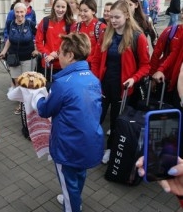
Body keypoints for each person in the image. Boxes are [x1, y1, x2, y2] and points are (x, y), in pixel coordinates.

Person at [33, 32, 104, 212]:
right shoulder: (93, 78)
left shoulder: (63, 82)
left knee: (67, 181)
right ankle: (74, 199)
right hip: (89, 140)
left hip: (68, 144)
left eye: (60, 52)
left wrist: (36, 96)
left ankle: (72, 205)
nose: (58, 56)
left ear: (70, 55)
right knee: (79, 175)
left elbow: (44, 110)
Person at [90, 0, 150, 164]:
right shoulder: (106, 34)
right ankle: (92, 145)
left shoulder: (138, 37)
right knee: (96, 118)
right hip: (103, 86)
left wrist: (133, 78)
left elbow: (146, 66)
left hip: (122, 89)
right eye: (111, 17)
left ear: (126, 16)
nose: (113, 21)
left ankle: (110, 149)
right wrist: (95, 78)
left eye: (117, 17)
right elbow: (95, 59)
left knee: (116, 122)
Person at [0, 2, 38, 115]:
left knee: (26, 82)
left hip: (28, 57)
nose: (19, 14)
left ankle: (27, 105)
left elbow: (38, 37)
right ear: (14, 13)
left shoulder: (30, 24)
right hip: (13, 57)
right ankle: (22, 103)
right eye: (17, 12)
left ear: (25, 12)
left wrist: (36, 49)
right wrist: (3, 51)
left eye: (22, 12)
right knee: (17, 82)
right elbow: (9, 39)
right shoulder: (10, 23)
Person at [35, 0, 74, 83]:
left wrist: (57, 54)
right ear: (53, 7)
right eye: (58, 6)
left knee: (62, 90)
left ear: (67, 8)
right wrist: (48, 54)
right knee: (47, 89)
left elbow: (71, 43)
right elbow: (38, 41)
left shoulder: (71, 23)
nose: (60, 10)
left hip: (64, 64)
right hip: (47, 64)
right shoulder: (45, 21)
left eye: (63, 7)